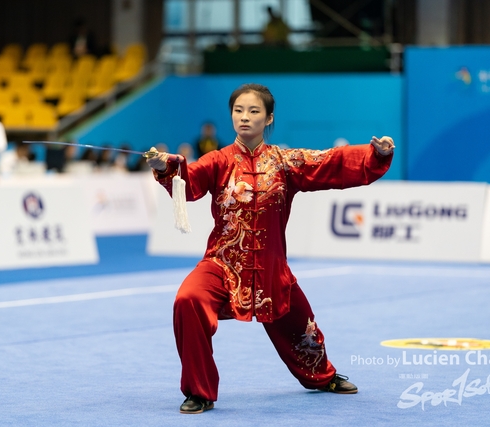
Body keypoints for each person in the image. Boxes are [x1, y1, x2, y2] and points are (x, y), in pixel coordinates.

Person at [146, 83, 394, 414]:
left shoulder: (285, 162)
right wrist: (167, 168)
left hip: (272, 269)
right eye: (238, 111)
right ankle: (199, 391)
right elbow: (189, 185)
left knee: (304, 332)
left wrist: (375, 154)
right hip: (223, 265)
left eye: (253, 111)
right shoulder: (217, 161)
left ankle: (322, 377)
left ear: (269, 118)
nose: (244, 117)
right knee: (188, 300)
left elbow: (330, 162)